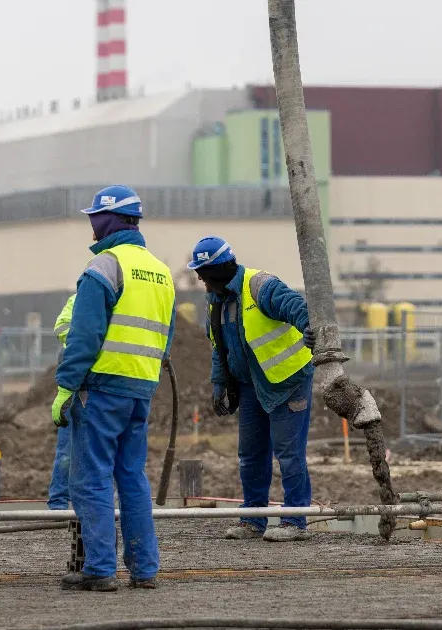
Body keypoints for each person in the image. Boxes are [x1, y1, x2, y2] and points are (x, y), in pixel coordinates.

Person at [52, 185, 176, 592]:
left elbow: (84, 337)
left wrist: (66, 387)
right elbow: (165, 337)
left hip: (100, 389)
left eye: (94, 219)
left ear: (107, 221)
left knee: (90, 480)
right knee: (132, 478)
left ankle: (100, 570)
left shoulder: (104, 267)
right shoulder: (160, 272)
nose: (91, 226)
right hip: (140, 388)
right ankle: (145, 570)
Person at [188, 236, 317, 543]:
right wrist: (219, 385)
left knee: (289, 454)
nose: (199, 280)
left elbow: (296, 306)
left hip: (288, 382)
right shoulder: (215, 303)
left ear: (217, 270)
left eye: (202, 273)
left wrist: (311, 328)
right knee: (251, 454)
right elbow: (219, 349)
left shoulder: (259, 285)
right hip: (250, 387)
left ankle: (295, 520)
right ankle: (253, 519)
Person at [47, 294, 76, 510]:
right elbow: (62, 327)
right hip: (80, 385)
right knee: (67, 450)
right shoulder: (81, 299)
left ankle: (97, 505)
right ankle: (58, 502)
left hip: (103, 384)